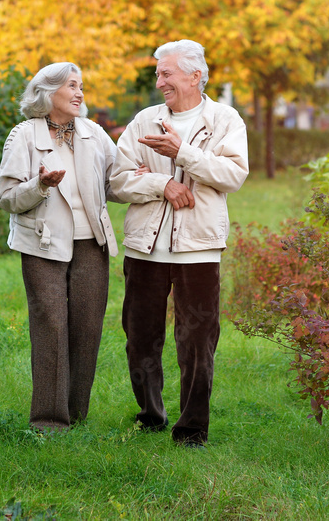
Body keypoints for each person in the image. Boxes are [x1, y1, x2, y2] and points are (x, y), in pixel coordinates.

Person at [110, 39, 249, 447]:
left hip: (198, 250)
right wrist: (162, 183)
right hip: (144, 249)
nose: (160, 82)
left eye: (166, 73)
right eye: (158, 74)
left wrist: (183, 153)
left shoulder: (225, 119)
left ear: (195, 74)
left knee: (197, 343)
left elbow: (233, 175)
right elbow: (117, 181)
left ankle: (191, 430)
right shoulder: (144, 121)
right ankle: (150, 416)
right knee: (139, 337)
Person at [0, 62, 121, 432]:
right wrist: (40, 185)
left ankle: (76, 415)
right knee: (51, 328)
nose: (80, 93)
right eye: (71, 86)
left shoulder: (94, 134)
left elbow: (116, 182)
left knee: (87, 329)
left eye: (81, 86)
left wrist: (149, 182)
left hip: (91, 245)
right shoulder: (23, 136)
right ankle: (48, 421)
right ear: (48, 93)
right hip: (43, 246)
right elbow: (5, 196)